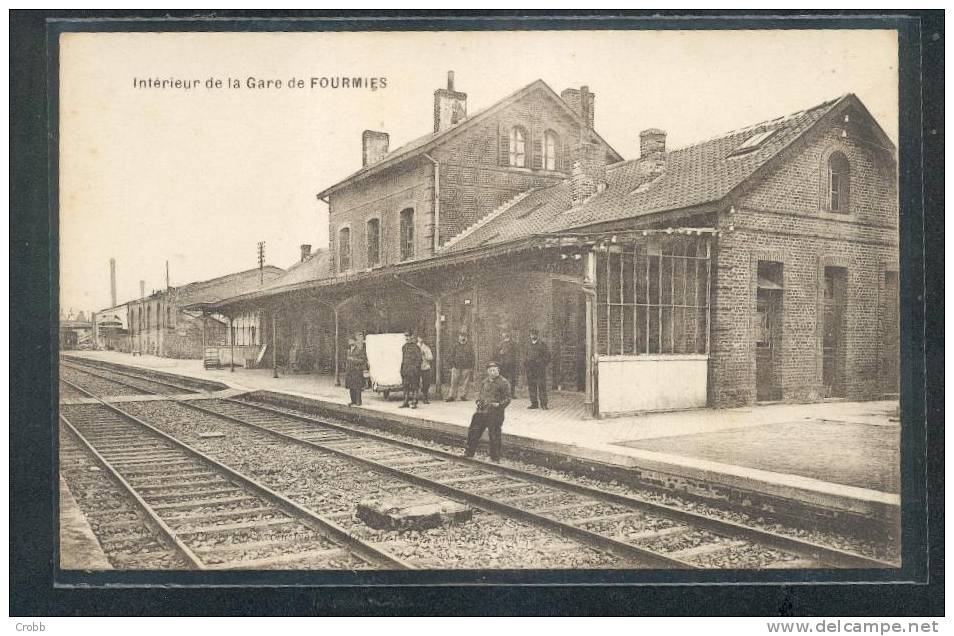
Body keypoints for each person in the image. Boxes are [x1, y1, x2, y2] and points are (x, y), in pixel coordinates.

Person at [464, 361, 512, 463]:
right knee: (473, 431)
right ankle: (469, 453)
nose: (492, 372)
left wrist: (499, 405)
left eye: (494, 370)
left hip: (495, 413)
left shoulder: (504, 382)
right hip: (481, 412)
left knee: (494, 435)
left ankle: (495, 458)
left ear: (498, 370)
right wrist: (478, 401)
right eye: (490, 370)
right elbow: (480, 394)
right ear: (487, 371)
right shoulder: (485, 382)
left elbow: (508, 399)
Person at [525, 328, 551, 410]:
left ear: (537, 335)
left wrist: (541, 363)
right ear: (530, 335)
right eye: (532, 334)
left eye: (534, 334)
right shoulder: (528, 345)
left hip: (539, 370)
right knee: (531, 386)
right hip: (530, 369)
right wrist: (526, 365)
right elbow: (525, 356)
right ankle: (534, 403)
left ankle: (544, 404)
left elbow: (547, 357)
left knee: (541, 386)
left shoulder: (542, 345)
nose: (533, 336)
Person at [445, 331, 474, 401]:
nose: (463, 338)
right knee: (454, 381)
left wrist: (472, 366)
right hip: (456, 366)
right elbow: (450, 355)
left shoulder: (469, 347)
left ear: (467, 338)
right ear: (459, 337)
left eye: (465, 336)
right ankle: (452, 396)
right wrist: (451, 365)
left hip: (467, 366)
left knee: (466, 382)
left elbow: (472, 357)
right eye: (461, 336)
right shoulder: (455, 346)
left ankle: (463, 395)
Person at [399, 332, 422, 409]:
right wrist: (402, 369)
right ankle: (405, 402)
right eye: (406, 338)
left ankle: (414, 402)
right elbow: (403, 359)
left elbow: (419, 360)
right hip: (405, 370)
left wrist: (416, 369)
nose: (407, 339)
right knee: (405, 386)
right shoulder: (404, 347)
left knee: (414, 387)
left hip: (414, 371)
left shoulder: (416, 348)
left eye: (409, 337)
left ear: (412, 337)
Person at [344, 335, 368, 406]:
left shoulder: (359, 350)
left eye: (352, 340)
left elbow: (363, 360)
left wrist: (353, 360)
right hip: (350, 371)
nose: (350, 342)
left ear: (355, 341)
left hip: (357, 371)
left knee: (357, 387)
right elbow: (346, 360)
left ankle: (358, 401)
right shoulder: (348, 351)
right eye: (349, 341)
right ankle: (353, 401)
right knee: (351, 387)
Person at [496, 329, 517, 398]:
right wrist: (500, 353)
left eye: (506, 333)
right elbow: (496, 354)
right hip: (503, 364)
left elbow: (516, 353)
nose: (505, 335)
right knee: (503, 379)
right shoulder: (500, 344)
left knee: (512, 379)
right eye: (504, 333)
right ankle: (504, 394)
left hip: (512, 363)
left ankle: (512, 393)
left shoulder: (513, 343)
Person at [417, 335, 434, 404]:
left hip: (425, 367)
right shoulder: (415, 347)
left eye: (422, 337)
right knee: (416, 383)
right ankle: (415, 398)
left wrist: (424, 354)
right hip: (417, 367)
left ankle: (425, 397)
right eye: (419, 337)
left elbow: (431, 357)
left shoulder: (426, 348)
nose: (420, 339)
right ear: (417, 338)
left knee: (426, 383)